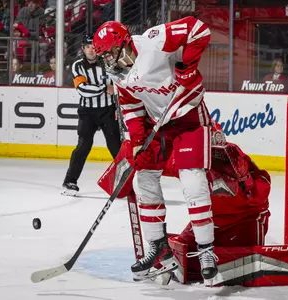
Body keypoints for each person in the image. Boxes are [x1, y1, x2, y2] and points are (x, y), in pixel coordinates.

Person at [92, 17, 217, 281]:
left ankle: (206, 249)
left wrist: (187, 66)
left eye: (108, 53)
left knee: (192, 179)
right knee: (143, 177)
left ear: (121, 44)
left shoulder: (154, 41)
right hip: (157, 125)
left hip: (188, 117)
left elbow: (198, 29)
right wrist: (138, 140)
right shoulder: (120, 74)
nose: (107, 60)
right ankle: (158, 248)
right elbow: (132, 108)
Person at [164, 121, 271, 283]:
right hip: (209, 220)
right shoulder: (183, 157)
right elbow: (156, 165)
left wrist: (246, 180)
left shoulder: (234, 155)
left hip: (244, 219)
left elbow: (260, 194)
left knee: (241, 264)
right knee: (180, 256)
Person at [62, 34, 121, 195]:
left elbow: (118, 81)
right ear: (83, 49)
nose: (91, 50)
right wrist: (104, 88)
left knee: (116, 146)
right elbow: (82, 89)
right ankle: (69, 181)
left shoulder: (108, 62)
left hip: (108, 111)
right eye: (87, 47)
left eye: (93, 47)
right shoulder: (77, 66)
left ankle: (126, 181)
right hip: (87, 112)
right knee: (83, 147)